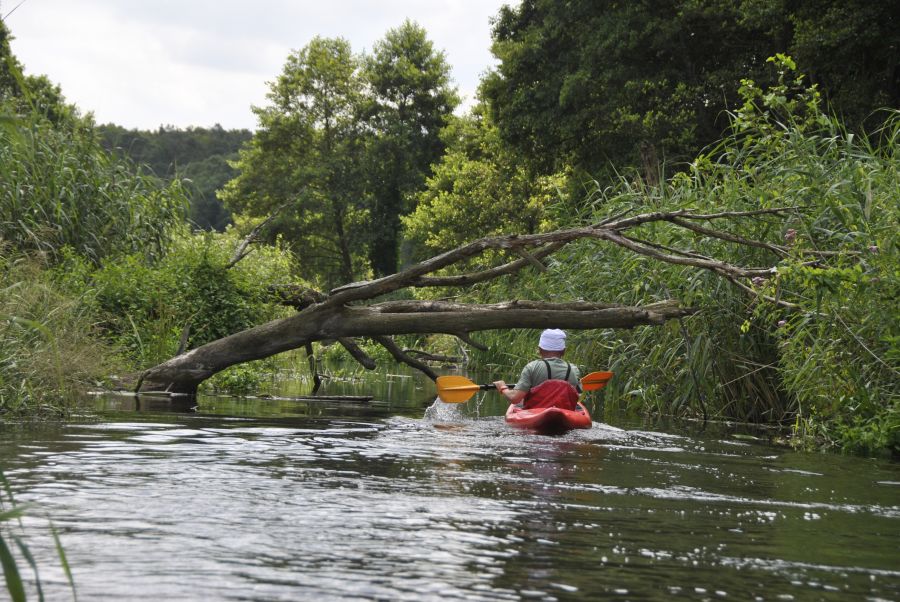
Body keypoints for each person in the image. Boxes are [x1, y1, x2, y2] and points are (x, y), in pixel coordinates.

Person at [493, 329, 582, 410]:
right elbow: (577, 396)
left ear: (540, 349)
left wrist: (503, 387)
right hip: (565, 413)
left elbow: (515, 399)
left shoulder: (532, 367)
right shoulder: (574, 370)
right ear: (563, 351)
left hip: (536, 412)